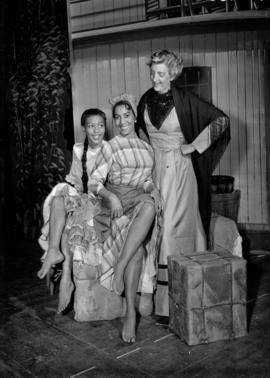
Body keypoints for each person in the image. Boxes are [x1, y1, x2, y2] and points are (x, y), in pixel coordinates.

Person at [136, 49, 230, 317]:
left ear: (173, 73)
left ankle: (173, 304)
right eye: (153, 72)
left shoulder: (186, 99)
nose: (155, 78)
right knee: (151, 229)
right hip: (153, 170)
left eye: (161, 73)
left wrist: (194, 146)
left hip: (178, 171)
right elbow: (141, 131)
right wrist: (146, 151)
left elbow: (221, 121)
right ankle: (148, 293)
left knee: (171, 230)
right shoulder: (145, 99)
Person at [84, 93, 160, 343]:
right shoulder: (109, 146)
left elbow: (146, 180)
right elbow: (94, 183)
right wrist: (112, 197)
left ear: (135, 117)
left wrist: (152, 188)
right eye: (117, 117)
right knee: (137, 252)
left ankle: (119, 268)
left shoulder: (147, 148)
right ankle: (130, 314)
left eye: (127, 115)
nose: (122, 121)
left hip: (138, 200)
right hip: (114, 201)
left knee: (150, 206)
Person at [37, 108, 107, 312]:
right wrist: (75, 190)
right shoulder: (79, 149)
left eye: (100, 125)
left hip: (101, 199)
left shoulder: (110, 149)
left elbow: (104, 183)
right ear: (84, 128)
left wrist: (84, 194)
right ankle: (53, 251)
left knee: (76, 216)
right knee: (59, 199)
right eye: (91, 126)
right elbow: (75, 178)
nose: (96, 130)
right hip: (84, 194)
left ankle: (66, 274)